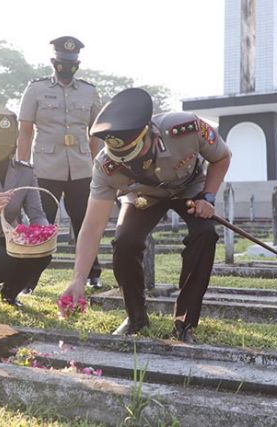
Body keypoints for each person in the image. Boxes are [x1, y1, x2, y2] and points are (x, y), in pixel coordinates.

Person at [60, 88, 231, 343]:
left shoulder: (186, 127)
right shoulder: (105, 166)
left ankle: (185, 322)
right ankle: (136, 318)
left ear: (150, 134)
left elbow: (222, 157)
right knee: (124, 242)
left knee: (205, 235)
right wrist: (78, 279)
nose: (132, 166)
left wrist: (208, 198)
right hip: (144, 196)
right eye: (125, 163)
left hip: (190, 187)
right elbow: (92, 226)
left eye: (137, 158)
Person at [16, 36, 104, 290]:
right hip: (45, 168)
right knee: (39, 224)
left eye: (72, 61)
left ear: (77, 62)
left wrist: (89, 158)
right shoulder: (36, 89)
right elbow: (25, 131)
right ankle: (28, 280)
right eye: (63, 61)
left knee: (86, 222)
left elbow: (95, 132)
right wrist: (23, 167)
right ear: (54, 61)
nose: (68, 66)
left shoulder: (89, 91)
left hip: (80, 169)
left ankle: (92, 274)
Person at [0, 110, 52, 308]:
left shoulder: (25, 171)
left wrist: (44, 233)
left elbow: (36, 213)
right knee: (1, 259)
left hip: (12, 236)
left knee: (41, 254)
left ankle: (10, 292)